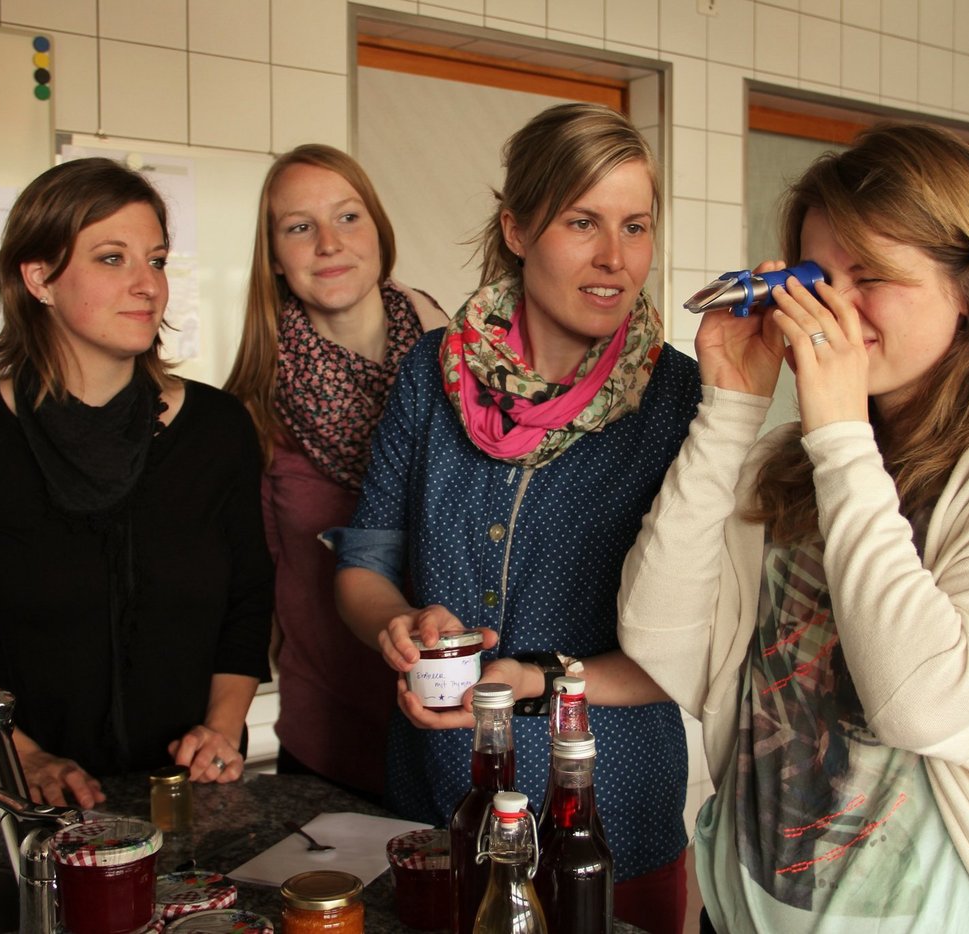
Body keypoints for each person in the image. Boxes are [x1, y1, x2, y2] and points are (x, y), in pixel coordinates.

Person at [616, 123, 969, 933]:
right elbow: (659, 640)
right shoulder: (795, 465)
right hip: (739, 909)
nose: (835, 309)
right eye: (818, 277)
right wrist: (732, 409)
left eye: (874, 276)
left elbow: (918, 701)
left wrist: (838, 430)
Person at [332, 101, 701, 933]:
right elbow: (363, 560)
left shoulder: (680, 401)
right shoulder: (432, 372)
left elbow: (700, 643)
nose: (616, 258)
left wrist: (542, 683)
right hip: (442, 803)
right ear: (518, 228)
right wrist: (394, 623)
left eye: (636, 226)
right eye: (583, 221)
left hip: (612, 814)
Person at [0, 158, 273, 809]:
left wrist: (222, 726)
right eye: (112, 259)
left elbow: (248, 598)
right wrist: (22, 755)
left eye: (156, 259)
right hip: (26, 806)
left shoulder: (217, 431)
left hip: (186, 795)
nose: (147, 284)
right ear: (38, 278)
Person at [224, 144, 447, 802]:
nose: (329, 243)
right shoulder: (254, 409)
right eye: (299, 227)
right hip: (330, 740)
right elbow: (245, 591)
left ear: (379, 231)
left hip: (453, 726)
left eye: (348, 217)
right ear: (274, 257)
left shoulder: (463, 371)